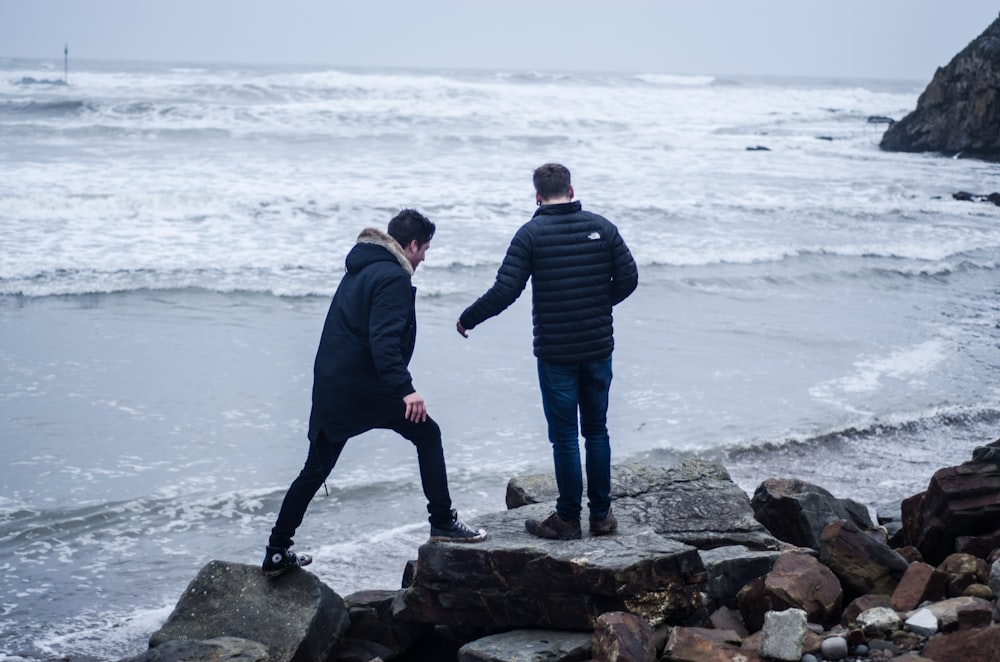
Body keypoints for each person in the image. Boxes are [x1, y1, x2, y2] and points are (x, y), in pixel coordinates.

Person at [264, 209, 486, 577]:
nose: (425, 258)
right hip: (367, 385)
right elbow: (383, 341)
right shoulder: (392, 278)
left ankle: (275, 550)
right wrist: (406, 390)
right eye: (425, 249)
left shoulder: (361, 269)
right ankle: (443, 521)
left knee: (315, 468)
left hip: (335, 385)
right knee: (428, 434)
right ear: (411, 245)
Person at [457, 163, 638, 540]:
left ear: (537, 195)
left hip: (556, 351)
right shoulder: (602, 228)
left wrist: (469, 318)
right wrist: (598, 305)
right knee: (597, 430)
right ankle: (602, 517)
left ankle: (569, 519)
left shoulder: (531, 234)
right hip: (598, 345)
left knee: (566, 437)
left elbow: (505, 291)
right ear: (571, 190)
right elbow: (629, 278)